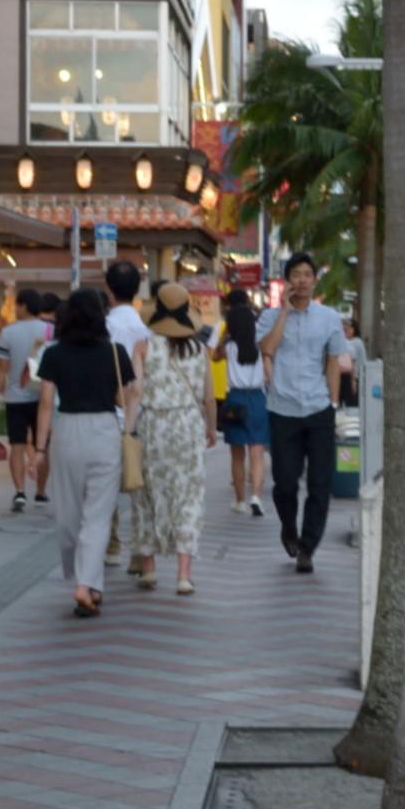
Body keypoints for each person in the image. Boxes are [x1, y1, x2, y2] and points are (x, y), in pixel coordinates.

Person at [32, 289, 137, 618]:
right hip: (105, 430)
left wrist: (39, 448)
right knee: (98, 514)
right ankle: (87, 584)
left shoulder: (53, 354)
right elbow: (128, 398)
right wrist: (129, 428)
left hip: (67, 432)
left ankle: (86, 582)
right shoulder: (116, 352)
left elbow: (47, 404)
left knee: (68, 513)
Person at [259, 253, 348, 574]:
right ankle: (288, 528)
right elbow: (267, 349)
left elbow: (334, 361)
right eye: (295, 274)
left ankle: (307, 548)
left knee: (320, 483)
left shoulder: (329, 318)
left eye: (307, 274)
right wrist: (283, 311)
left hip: (318, 408)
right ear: (287, 280)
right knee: (284, 482)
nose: (302, 280)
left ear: (314, 279)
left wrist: (334, 404)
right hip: (282, 409)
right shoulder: (270, 317)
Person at [129, 282, 216, 594]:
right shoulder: (199, 350)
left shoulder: (143, 346)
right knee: (188, 496)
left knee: (148, 493)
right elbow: (208, 397)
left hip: (153, 424)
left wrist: (128, 428)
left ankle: (149, 568)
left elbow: (136, 391)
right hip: (188, 424)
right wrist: (210, 427)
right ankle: (183, 574)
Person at [103, 262, 150, 568]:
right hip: (142, 414)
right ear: (137, 290)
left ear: (108, 289)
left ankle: (111, 544)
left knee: (105, 482)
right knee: (139, 484)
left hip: (107, 412)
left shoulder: (103, 326)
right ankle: (139, 550)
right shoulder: (147, 330)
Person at [0, 288, 53, 512]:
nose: (15, 309)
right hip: (43, 397)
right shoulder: (50, 330)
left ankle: (19, 492)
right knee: (42, 446)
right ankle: (41, 491)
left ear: (24, 306)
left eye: (17, 305)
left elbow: (1, 369)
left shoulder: (7, 333)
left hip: (15, 399)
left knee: (16, 446)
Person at [213, 290, 270, 517]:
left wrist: (225, 331)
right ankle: (256, 495)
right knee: (257, 452)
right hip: (257, 399)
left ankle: (239, 500)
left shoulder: (228, 348)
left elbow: (213, 356)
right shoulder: (261, 346)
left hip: (235, 399)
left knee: (237, 456)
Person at [338, 317, 368, 408]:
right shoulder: (355, 342)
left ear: (354, 330)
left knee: (351, 404)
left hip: (355, 378)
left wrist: (353, 381)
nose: (345, 329)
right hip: (356, 377)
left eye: (348, 327)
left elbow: (351, 361)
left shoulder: (355, 343)